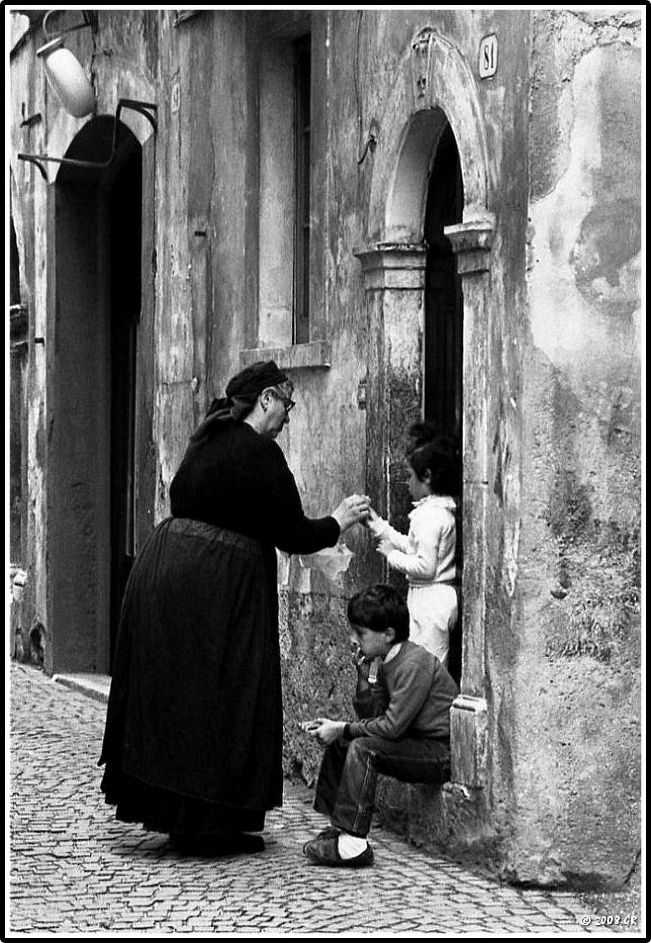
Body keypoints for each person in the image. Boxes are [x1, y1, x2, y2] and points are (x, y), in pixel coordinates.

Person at [99, 360, 370, 856]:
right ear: (265, 399)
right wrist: (340, 519)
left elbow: (184, 494)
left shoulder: (208, 437)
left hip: (167, 570)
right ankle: (210, 822)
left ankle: (187, 818)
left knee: (180, 696)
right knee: (222, 695)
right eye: (287, 404)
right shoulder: (260, 454)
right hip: (217, 587)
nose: (289, 415)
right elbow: (294, 533)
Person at [302, 583, 459, 868]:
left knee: (362, 747)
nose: (353, 639)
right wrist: (364, 679)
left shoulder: (413, 664)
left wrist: (343, 727)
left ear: (388, 634)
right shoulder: (389, 661)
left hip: (437, 752)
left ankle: (353, 843)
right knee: (343, 744)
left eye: (360, 633)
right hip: (414, 742)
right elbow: (375, 715)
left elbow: (390, 728)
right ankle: (339, 826)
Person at [366, 423, 458, 666]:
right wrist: (378, 526)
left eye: (409, 476)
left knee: (426, 668)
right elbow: (413, 546)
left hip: (431, 603)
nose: (407, 484)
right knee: (422, 665)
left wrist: (390, 556)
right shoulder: (434, 511)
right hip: (429, 599)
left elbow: (425, 567)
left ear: (426, 476)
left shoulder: (431, 517)